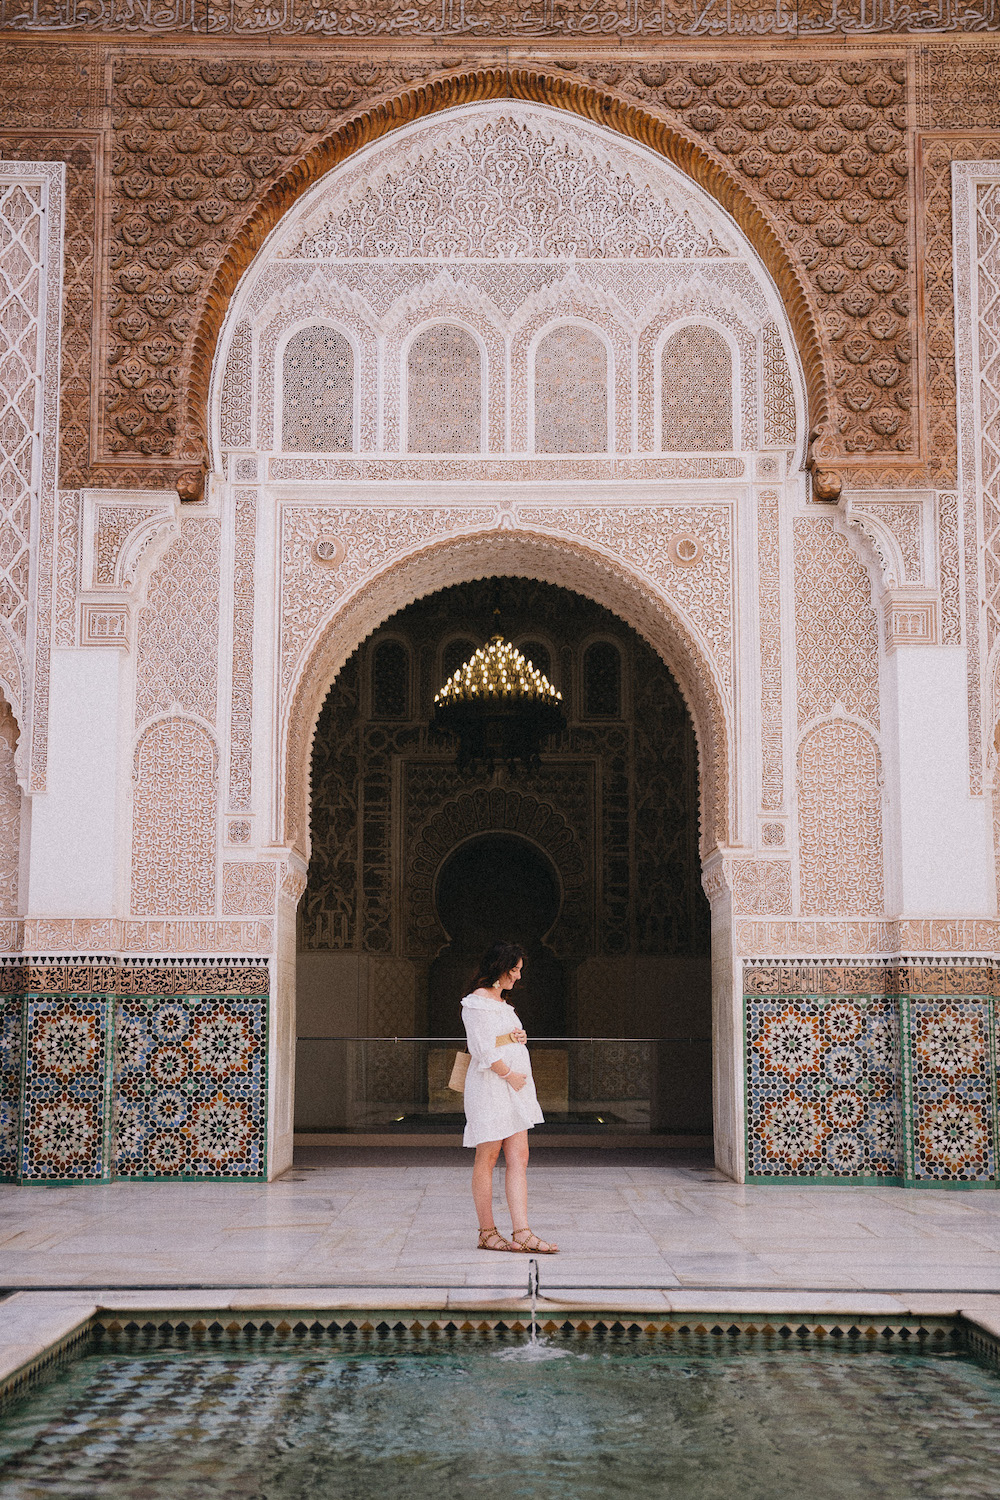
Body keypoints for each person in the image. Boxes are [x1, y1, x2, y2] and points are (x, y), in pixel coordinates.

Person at [461, 941, 559, 1254]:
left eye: (519, 971)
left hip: (514, 1089)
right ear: (498, 968)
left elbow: (504, 1038)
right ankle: (487, 1232)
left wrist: (520, 1037)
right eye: (513, 970)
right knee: (487, 1156)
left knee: (519, 1157)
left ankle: (523, 1231)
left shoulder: (504, 1004)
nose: (517, 977)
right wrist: (509, 1074)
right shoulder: (476, 1002)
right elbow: (483, 1049)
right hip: (492, 1087)